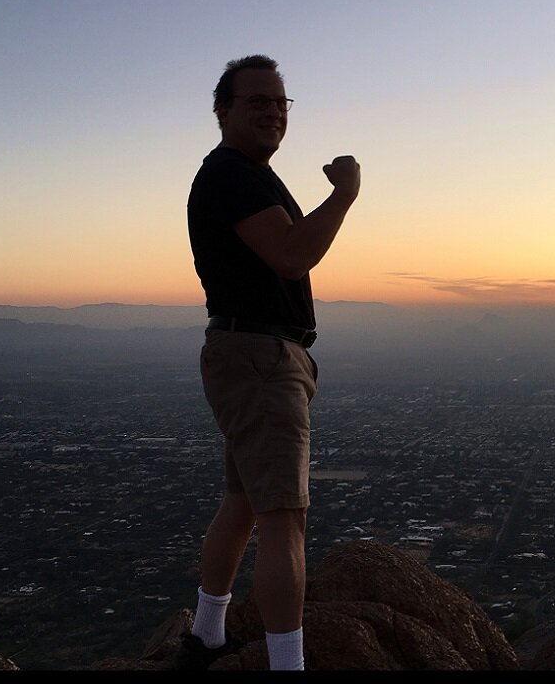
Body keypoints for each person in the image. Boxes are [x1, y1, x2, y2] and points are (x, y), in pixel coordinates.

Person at [178, 54, 360, 671]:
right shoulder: (233, 175)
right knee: (285, 516)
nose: (272, 112)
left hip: (247, 351)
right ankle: (286, 665)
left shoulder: (243, 174)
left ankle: (206, 634)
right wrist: (343, 196)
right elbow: (291, 255)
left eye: (280, 102)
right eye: (256, 101)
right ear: (222, 110)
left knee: (245, 501)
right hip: (258, 355)